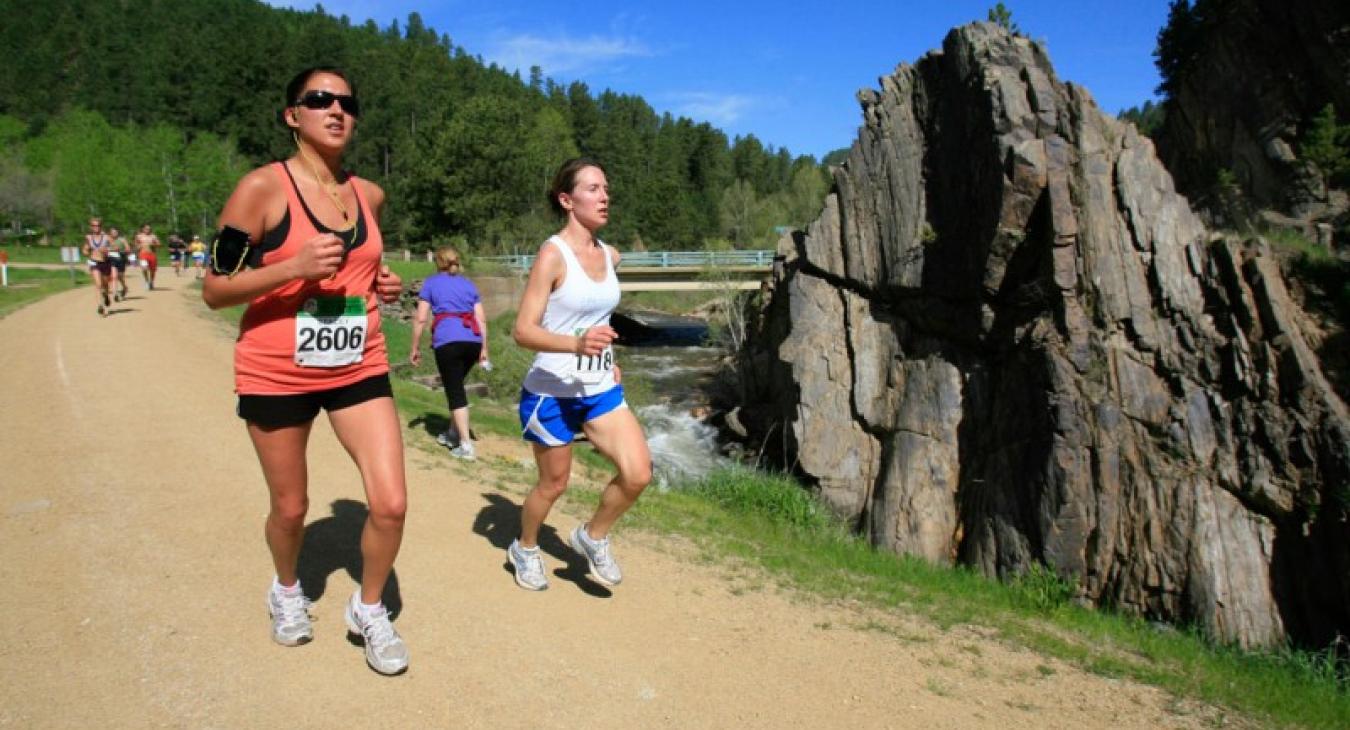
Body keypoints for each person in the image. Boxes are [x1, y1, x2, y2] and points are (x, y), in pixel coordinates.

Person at [200, 66, 410, 676]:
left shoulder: (368, 195)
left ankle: (369, 609)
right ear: (294, 116)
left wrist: (382, 282)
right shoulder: (260, 190)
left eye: (347, 101)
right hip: (277, 371)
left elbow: (364, 266)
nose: (336, 110)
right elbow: (215, 289)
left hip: (358, 362)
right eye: (319, 100)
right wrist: (290, 265)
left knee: (391, 503)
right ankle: (287, 589)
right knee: (291, 509)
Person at [507, 158, 652, 591]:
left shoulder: (611, 255)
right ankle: (526, 547)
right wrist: (577, 344)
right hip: (551, 392)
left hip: (599, 387)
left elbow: (597, 313)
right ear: (567, 200)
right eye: (593, 189)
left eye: (606, 188)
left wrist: (605, 355)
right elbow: (523, 330)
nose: (604, 196)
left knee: (638, 473)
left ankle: (592, 536)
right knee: (553, 485)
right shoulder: (552, 256)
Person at [408, 245, 488, 460]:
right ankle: (452, 433)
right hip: (472, 341)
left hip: (448, 341)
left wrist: (414, 347)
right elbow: (481, 318)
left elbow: (421, 318)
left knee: (454, 391)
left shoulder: (431, 283)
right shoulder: (468, 284)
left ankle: (465, 445)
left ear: (438, 262)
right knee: (456, 386)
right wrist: (484, 348)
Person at [82, 217, 113, 316]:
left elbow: (115, 247)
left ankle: (106, 295)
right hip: (94, 262)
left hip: (105, 262)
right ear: (91, 227)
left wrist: (107, 249)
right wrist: (86, 252)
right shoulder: (89, 237)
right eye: (94, 225)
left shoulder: (107, 237)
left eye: (98, 225)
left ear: (101, 226)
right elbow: (85, 249)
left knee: (105, 284)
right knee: (98, 284)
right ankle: (101, 306)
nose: (96, 227)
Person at [107, 226, 131, 300]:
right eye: (113, 232)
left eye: (116, 232)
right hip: (111, 259)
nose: (114, 233)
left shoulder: (122, 240)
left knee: (120, 276)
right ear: (110, 233)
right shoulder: (107, 240)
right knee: (114, 276)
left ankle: (124, 287)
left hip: (121, 259)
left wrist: (122, 251)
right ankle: (115, 293)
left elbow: (128, 249)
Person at [135, 223, 160, 291]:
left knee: (152, 270)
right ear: (143, 229)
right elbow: (136, 245)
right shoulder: (139, 236)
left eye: (149, 229)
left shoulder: (153, 236)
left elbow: (159, 244)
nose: (148, 230)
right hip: (143, 254)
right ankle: (146, 281)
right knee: (144, 268)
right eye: (146, 229)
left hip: (151, 254)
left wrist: (154, 244)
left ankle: (151, 282)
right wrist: (138, 247)